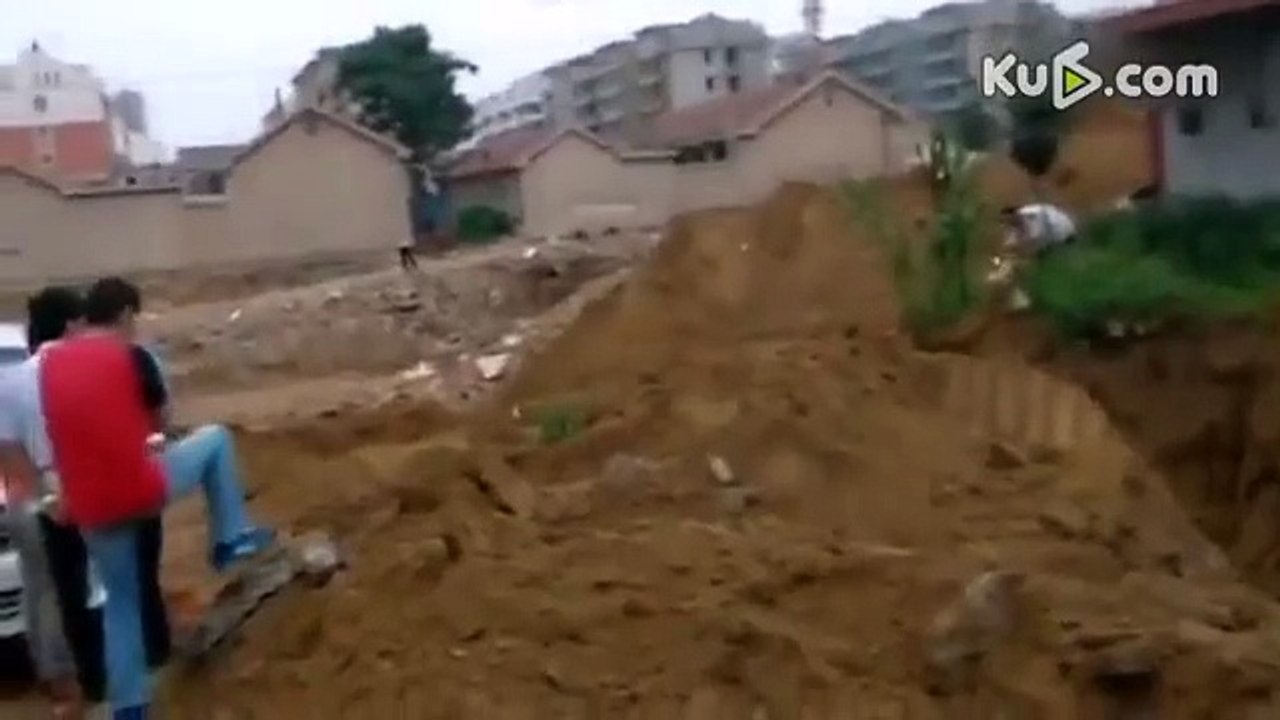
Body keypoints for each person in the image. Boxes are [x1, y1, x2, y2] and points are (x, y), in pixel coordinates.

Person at [40, 277, 276, 719]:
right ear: (126, 314)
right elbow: (161, 420)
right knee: (216, 440)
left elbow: (62, 434)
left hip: (91, 505)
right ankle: (229, 538)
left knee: (120, 602)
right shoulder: (132, 355)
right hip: (138, 488)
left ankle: (129, 706)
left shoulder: (52, 363)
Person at [0, 288, 86, 718]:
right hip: (54, 490)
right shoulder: (65, 372)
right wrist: (51, 495)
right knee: (60, 587)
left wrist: (25, 492)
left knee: (37, 587)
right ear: (70, 325)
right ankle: (67, 684)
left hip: (20, 494)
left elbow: (8, 451)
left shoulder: (9, 381)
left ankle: (50, 676)